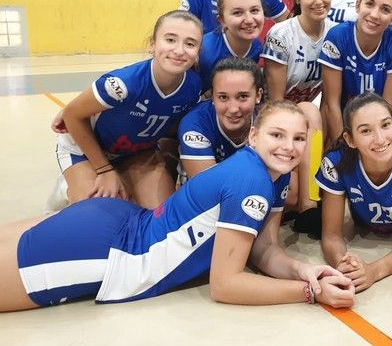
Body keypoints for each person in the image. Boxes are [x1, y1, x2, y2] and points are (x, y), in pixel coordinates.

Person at [1, 100, 356, 311]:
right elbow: (225, 286)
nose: (289, 147)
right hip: (113, 254)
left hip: (115, 220)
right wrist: (309, 293)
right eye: (276, 135)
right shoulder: (252, 182)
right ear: (253, 136)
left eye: (298, 138)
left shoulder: (271, 175)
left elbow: (261, 248)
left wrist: (303, 271)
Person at [55, 10, 203, 210]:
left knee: (160, 216)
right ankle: (69, 186)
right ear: (152, 44)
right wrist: (104, 169)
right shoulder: (123, 84)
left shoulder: (193, 86)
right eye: (170, 40)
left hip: (137, 151)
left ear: (198, 52)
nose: (179, 50)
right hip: (86, 150)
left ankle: (124, 178)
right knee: (94, 217)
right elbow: (71, 115)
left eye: (190, 44)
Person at [317, 93, 392, 292]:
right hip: (369, 221)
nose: (380, 139)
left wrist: (374, 271)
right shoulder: (335, 163)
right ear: (350, 139)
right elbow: (331, 235)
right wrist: (344, 266)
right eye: (366, 131)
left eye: (385, 125)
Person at [262, 0, 335, 237]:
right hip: (272, 117)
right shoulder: (281, 35)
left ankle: (308, 198)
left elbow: (330, 98)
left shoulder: (335, 33)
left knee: (317, 112)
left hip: (306, 121)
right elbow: (275, 103)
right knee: (308, 109)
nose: (319, 0)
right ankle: (308, 205)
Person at [318, 0, 392, 148]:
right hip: (344, 119)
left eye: (385, 9)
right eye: (370, 4)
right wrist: (346, 147)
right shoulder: (337, 36)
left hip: (385, 118)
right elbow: (331, 103)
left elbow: (388, 106)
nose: (375, 14)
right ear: (357, 6)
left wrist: (374, 143)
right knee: (336, 156)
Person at [178, 57, 262, 181]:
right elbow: (208, 187)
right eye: (223, 97)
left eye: (243, 96)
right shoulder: (195, 124)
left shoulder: (270, 122)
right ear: (212, 96)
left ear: (258, 95)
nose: (233, 109)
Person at [197, 0, 265, 93]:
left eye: (254, 10)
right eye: (237, 13)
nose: (249, 20)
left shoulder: (257, 46)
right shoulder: (204, 52)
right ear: (222, 20)